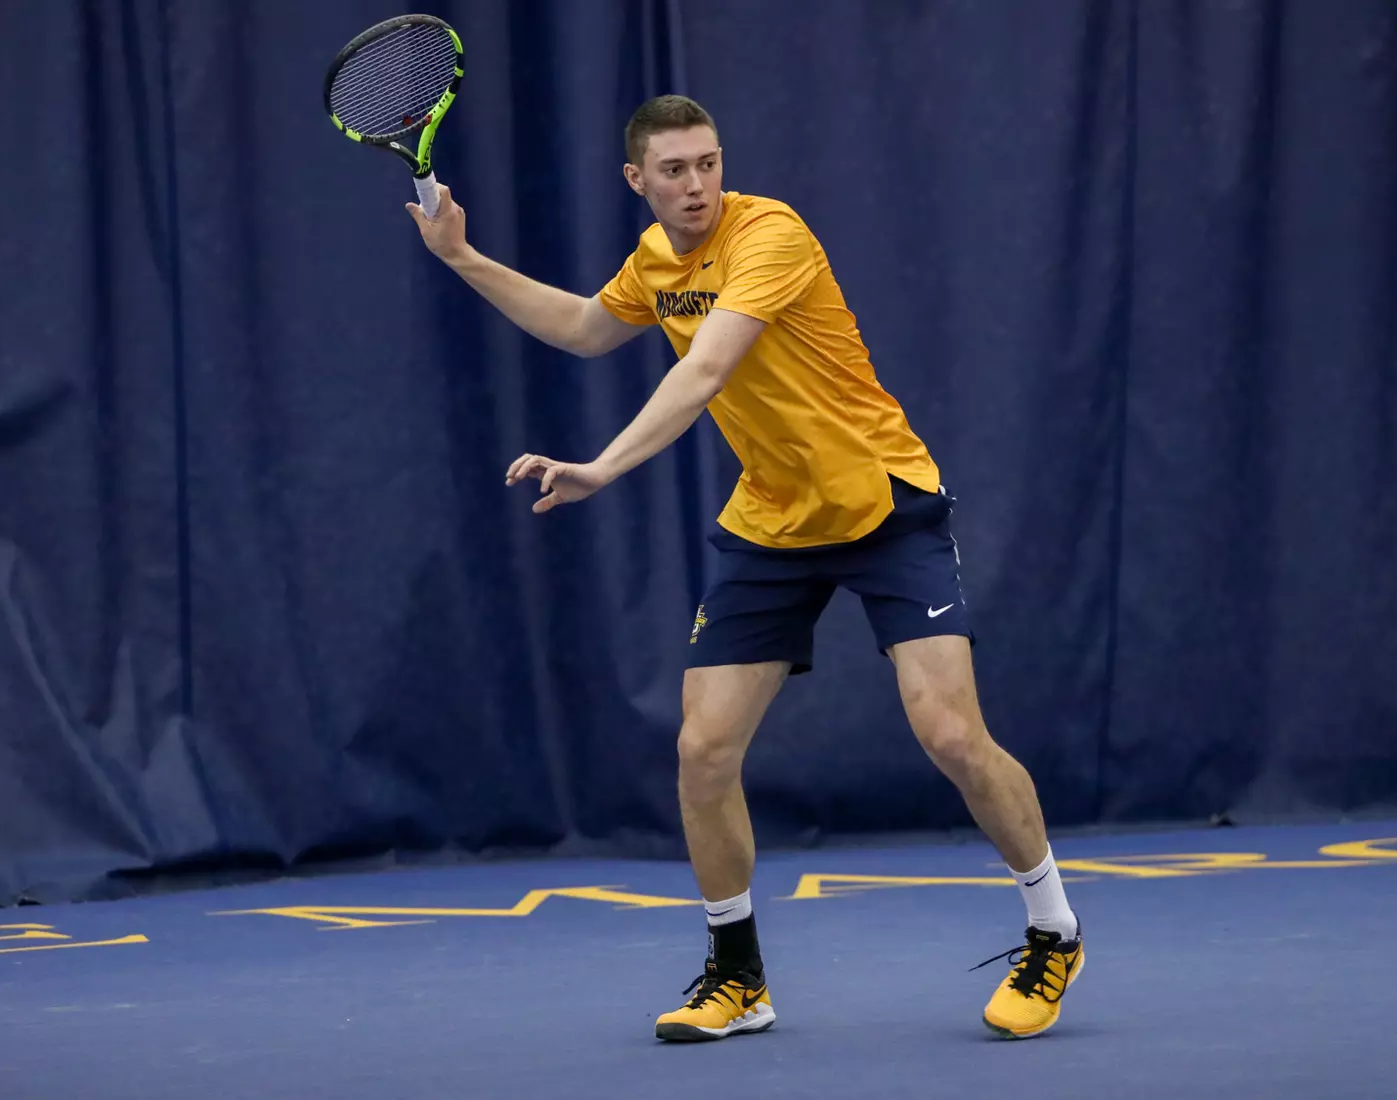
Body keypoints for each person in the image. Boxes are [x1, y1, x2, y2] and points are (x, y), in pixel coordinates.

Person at [407, 94, 1083, 1042]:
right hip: (771, 520)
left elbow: (705, 370)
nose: (696, 185)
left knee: (952, 737)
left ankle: (1053, 930)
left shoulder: (771, 234)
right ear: (636, 181)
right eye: (674, 171)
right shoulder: (653, 261)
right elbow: (583, 329)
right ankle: (738, 976)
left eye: (708, 163)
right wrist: (463, 258)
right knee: (703, 751)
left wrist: (601, 465)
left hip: (881, 501)